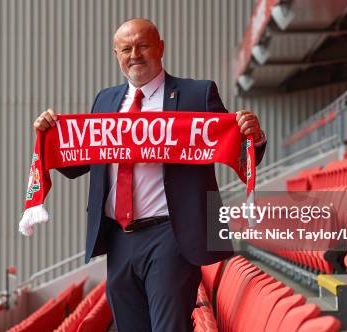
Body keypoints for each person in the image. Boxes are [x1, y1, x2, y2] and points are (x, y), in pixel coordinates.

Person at [33, 18, 266, 332]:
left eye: (142, 45)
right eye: (126, 49)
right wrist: (52, 136)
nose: (135, 55)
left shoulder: (197, 94)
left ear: (160, 48)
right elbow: (80, 163)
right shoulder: (105, 101)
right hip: (118, 239)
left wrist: (253, 136)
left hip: (171, 234)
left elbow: (232, 145)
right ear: (116, 55)